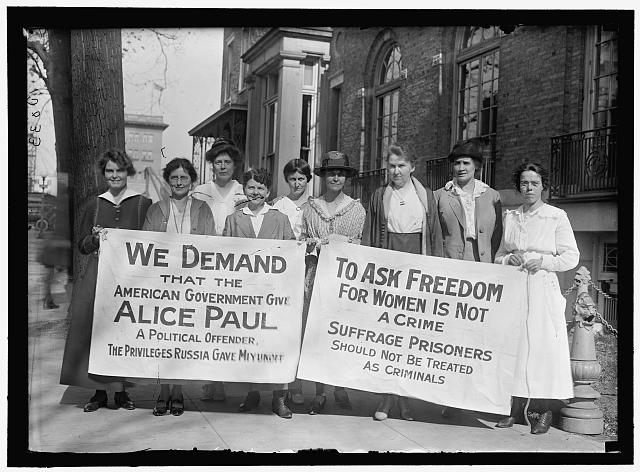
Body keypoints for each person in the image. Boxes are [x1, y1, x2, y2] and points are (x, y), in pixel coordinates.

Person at [59, 149, 152, 412]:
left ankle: (121, 392)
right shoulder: (94, 204)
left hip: (129, 277)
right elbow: (82, 245)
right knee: (96, 330)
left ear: (128, 172)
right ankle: (99, 392)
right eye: (109, 171)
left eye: (119, 170)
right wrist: (95, 239)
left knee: (124, 332)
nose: (114, 175)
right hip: (99, 274)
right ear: (104, 174)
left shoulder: (142, 203)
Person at [494, 162, 579, 435]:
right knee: (516, 348)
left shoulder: (556, 216)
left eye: (534, 183)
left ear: (543, 186)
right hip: (516, 288)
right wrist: (509, 258)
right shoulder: (511, 216)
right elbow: (499, 255)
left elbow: (571, 257)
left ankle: (544, 412)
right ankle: (515, 410)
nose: (528, 188)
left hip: (542, 287)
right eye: (524, 183)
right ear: (518, 186)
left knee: (544, 349)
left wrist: (541, 262)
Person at [362, 144, 444, 421]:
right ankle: (386, 399)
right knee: (387, 335)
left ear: (412, 167)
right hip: (388, 269)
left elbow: (434, 237)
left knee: (411, 336)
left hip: (417, 268)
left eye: (401, 166)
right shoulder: (378, 196)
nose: (396, 171)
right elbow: (370, 236)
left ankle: (406, 399)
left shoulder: (426, 197)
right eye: (392, 166)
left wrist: (434, 272)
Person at [141, 158, 215, 416]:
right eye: (174, 178)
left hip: (191, 284)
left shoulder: (203, 208)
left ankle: (179, 391)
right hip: (162, 284)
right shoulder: (155, 209)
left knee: (183, 339)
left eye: (184, 178)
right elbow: (146, 244)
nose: (180, 182)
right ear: (168, 181)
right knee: (163, 338)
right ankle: (162, 392)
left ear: (191, 180)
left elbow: (210, 244)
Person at [435, 138, 502, 418]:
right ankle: (452, 397)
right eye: (457, 163)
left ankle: (477, 396)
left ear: (477, 167)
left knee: (480, 335)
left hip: (483, 267)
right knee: (453, 335)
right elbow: (436, 236)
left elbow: (499, 237)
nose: (461, 167)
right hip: (452, 267)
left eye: (466, 163)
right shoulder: (440, 195)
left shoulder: (493, 196)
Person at [223, 168, 296, 419]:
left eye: (261, 188)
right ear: (245, 189)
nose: (256, 192)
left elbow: (292, 254)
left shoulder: (280, 218)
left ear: (268, 192)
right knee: (250, 344)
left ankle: (279, 398)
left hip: (274, 293)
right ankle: (252, 393)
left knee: (276, 343)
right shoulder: (234, 219)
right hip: (245, 294)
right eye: (252, 187)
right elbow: (223, 255)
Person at [300, 151, 366, 415]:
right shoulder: (310, 207)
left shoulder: (356, 209)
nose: (335, 177)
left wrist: (343, 242)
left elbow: (359, 245)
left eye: (340, 173)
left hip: (342, 279)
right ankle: (319, 392)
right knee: (316, 333)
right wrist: (314, 243)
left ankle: (339, 386)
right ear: (324, 177)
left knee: (339, 333)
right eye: (331, 173)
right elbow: (301, 239)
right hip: (315, 274)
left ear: (346, 177)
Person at [192, 138, 244, 401]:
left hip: (234, 264)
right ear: (212, 165)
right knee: (207, 320)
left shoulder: (243, 192)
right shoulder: (201, 191)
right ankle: (210, 380)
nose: (223, 166)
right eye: (218, 162)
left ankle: (223, 378)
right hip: (207, 262)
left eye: (227, 162)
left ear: (234, 165)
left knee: (228, 322)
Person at [270, 158, 312, 405]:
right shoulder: (279, 205)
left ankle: (298, 384)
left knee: (303, 327)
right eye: (292, 179)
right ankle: (284, 384)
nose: (297, 184)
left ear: (308, 180)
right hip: (284, 272)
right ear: (286, 181)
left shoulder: (315, 205)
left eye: (301, 179)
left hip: (307, 268)